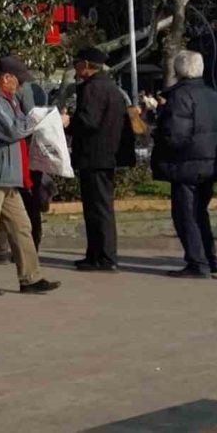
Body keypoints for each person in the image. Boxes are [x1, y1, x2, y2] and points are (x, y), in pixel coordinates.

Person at [0, 56, 62, 296]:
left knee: (22, 226)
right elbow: (11, 130)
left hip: (7, 174)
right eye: (17, 81)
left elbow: (19, 121)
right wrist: (40, 122)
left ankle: (30, 277)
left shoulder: (8, 99)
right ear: (5, 77)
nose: (20, 86)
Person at [152, 50, 217, 279]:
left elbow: (175, 136)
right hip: (210, 162)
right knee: (200, 213)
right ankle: (210, 258)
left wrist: (160, 138)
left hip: (186, 164)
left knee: (186, 214)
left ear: (179, 71)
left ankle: (197, 262)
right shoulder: (214, 95)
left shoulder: (180, 97)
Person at [66, 47, 127, 272]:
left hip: (94, 156)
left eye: (77, 63)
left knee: (98, 208)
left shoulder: (93, 89)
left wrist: (68, 123)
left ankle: (104, 256)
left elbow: (88, 121)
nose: (75, 68)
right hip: (105, 155)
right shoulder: (111, 87)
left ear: (87, 65)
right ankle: (95, 254)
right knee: (98, 207)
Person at [0, 80, 48, 262]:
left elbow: (29, 119)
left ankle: (8, 249)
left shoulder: (19, 90)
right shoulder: (12, 92)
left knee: (21, 202)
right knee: (22, 202)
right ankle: (22, 249)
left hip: (22, 151)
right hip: (24, 151)